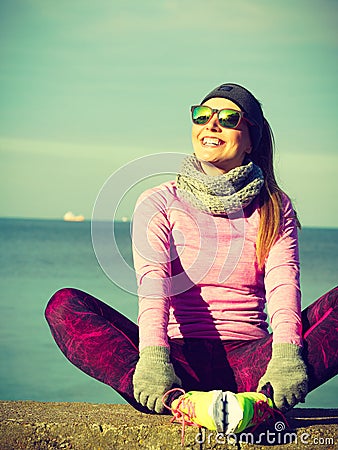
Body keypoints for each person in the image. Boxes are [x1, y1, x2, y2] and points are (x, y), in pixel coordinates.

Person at [45, 83, 338, 436]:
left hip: (252, 362)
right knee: (64, 306)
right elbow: (153, 286)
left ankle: (260, 401)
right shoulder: (158, 201)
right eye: (202, 115)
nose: (211, 124)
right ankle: (180, 403)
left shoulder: (274, 206)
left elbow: (283, 284)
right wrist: (154, 360)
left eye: (229, 118)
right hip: (178, 364)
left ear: (250, 140)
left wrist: (286, 357)